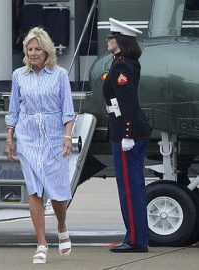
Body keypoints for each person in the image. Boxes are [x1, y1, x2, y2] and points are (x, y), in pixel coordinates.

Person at [5, 27, 75, 264]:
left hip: (55, 136)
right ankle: (41, 243)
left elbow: (68, 110)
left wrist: (67, 137)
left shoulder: (60, 74)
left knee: (56, 190)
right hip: (28, 136)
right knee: (35, 189)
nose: (33, 53)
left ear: (47, 51)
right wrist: (9, 137)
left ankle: (62, 226)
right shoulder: (18, 75)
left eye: (37, 49)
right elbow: (13, 110)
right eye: (29, 49)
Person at [103, 18, 151, 253]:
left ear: (120, 41)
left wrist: (127, 134)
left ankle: (135, 241)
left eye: (111, 37)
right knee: (131, 187)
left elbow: (128, 102)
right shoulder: (122, 62)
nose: (108, 40)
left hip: (126, 133)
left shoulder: (122, 66)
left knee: (130, 190)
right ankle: (134, 236)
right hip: (123, 129)